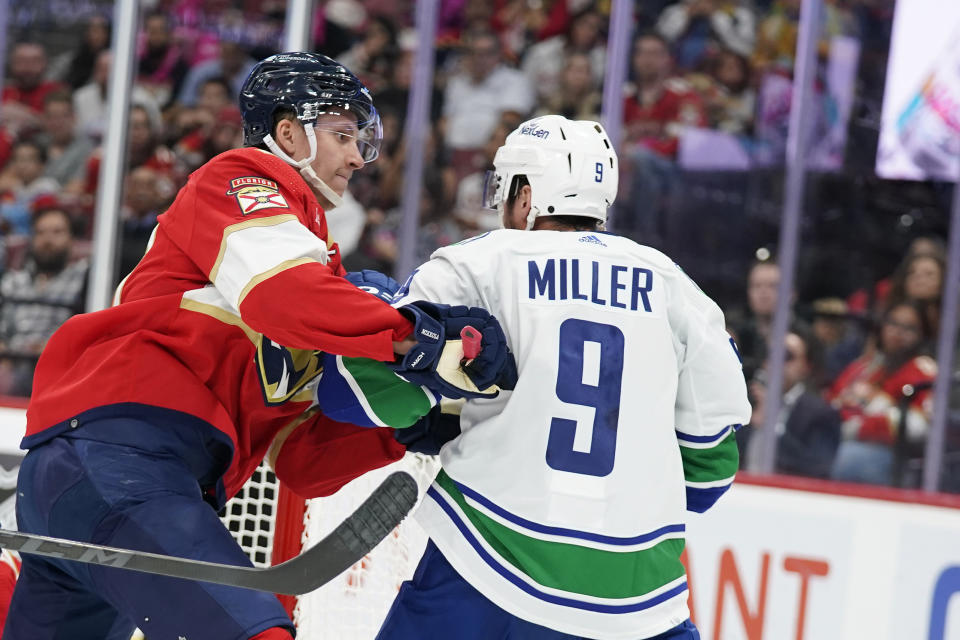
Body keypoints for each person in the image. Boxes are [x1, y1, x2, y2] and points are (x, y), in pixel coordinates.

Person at [4, 52, 514, 640]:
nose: (356, 156)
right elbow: (286, 297)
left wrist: (402, 425)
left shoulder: (319, 280)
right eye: (342, 134)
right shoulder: (239, 178)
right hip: (120, 462)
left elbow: (300, 460)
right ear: (288, 132)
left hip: (115, 484)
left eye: (361, 141)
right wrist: (416, 338)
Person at [326, 115, 750, 640]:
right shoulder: (673, 285)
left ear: (525, 197)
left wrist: (438, 406)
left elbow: (359, 395)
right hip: (638, 594)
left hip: (490, 561)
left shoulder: (478, 263)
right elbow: (707, 479)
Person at [0, 204, 88, 397]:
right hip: (14, 364)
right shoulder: (14, 280)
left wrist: (51, 347)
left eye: (57, 232)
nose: (48, 239)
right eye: (41, 233)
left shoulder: (85, 278)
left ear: (72, 239)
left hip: (61, 366)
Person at [739, 326, 841, 478]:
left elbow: (819, 468)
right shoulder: (747, 400)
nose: (776, 362)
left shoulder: (821, 413)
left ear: (806, 367)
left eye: (787, 356)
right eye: (771, 354)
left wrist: (770, 427)